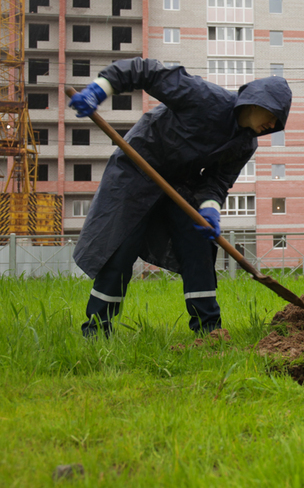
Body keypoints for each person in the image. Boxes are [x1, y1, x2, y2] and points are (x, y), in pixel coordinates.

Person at [69, 58, 292, 337]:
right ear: (257, 101)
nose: (273, 123)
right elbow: (145, 72)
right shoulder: (203, 97)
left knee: (199, 246)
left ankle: (209, 332)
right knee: (120, 248)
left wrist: (210, 209)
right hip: (136, 172)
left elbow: (217, 182)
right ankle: (97, 330)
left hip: (178, 185)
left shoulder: (245, 144)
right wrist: (100, 89)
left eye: (278, 122)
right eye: (273, 115)